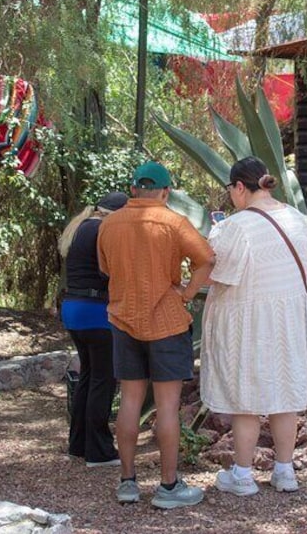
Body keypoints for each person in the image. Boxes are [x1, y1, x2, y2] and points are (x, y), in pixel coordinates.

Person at [97, 161, 214, 509]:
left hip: (122, 319)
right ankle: (167, 487)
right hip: (167, 323)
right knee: (167, 405)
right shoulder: (174, 222)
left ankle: (128, 483)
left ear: (134, 189)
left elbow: (105, 268)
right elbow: (207, 258)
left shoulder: (109, 224)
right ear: (166, 192)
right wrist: (188, 293)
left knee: (130, 400)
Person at [200, 156, 307, 496]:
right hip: (290, 317)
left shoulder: (237, 226)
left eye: (231, 189)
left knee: (246, 397)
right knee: (285, 394)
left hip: (249, 320)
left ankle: (242, 475)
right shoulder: (296, 218)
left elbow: (219, 273)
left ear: (240, 187)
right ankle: (285, 471)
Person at [59, 191, 129, 468]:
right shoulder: (103, 230)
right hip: (96, 311)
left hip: (74, 309)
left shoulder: (82, 226)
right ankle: (98, 451)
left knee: (88, 376)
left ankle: (78, 443)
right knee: (104, 378)